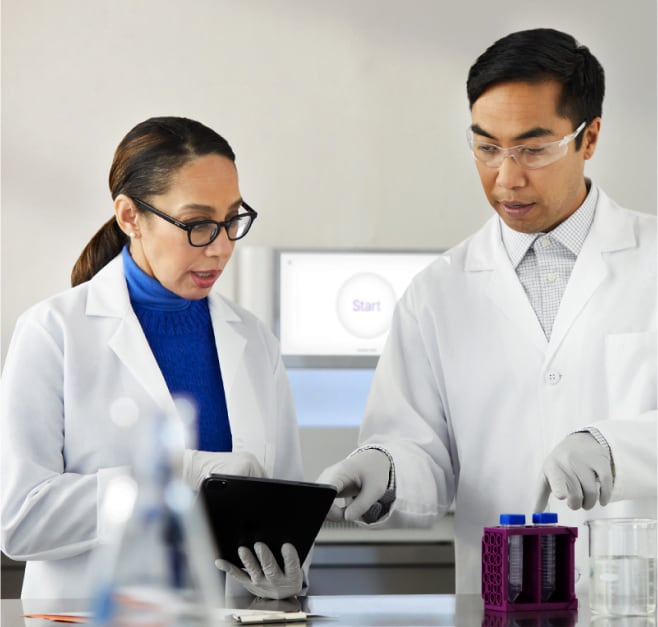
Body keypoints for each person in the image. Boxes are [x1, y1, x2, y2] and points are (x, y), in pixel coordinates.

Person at [318, 28, 657, 594]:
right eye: (487, 146)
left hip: (638, 596)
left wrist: (617, 448)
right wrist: (386, 466)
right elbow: (424, 452)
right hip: (501, 600)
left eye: (533, 148)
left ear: (589, 137)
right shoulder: (437, 293)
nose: (507, 176)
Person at [1, 116, 306, 600]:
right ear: (129, 217)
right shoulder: (53, 333)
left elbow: (285, 509)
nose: (223, 247)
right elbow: (22, 520)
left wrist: (289, 574)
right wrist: (174, 479)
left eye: (232, 220)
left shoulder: (254, 342)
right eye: (199, 224)